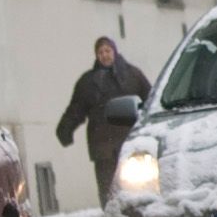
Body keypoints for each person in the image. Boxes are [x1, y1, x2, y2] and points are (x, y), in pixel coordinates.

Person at [54, 36, 152, 197]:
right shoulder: (88, 82)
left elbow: (149, 100)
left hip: (131, 141)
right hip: (103, 146)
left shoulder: (133, 75)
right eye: (100, 52)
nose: (105, 55)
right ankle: (110, 216)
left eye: (107, 51)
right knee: (108, 190)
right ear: (96, 56)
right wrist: (65, 130)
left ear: (114, 52)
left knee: (138, 188)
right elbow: (76, 109)